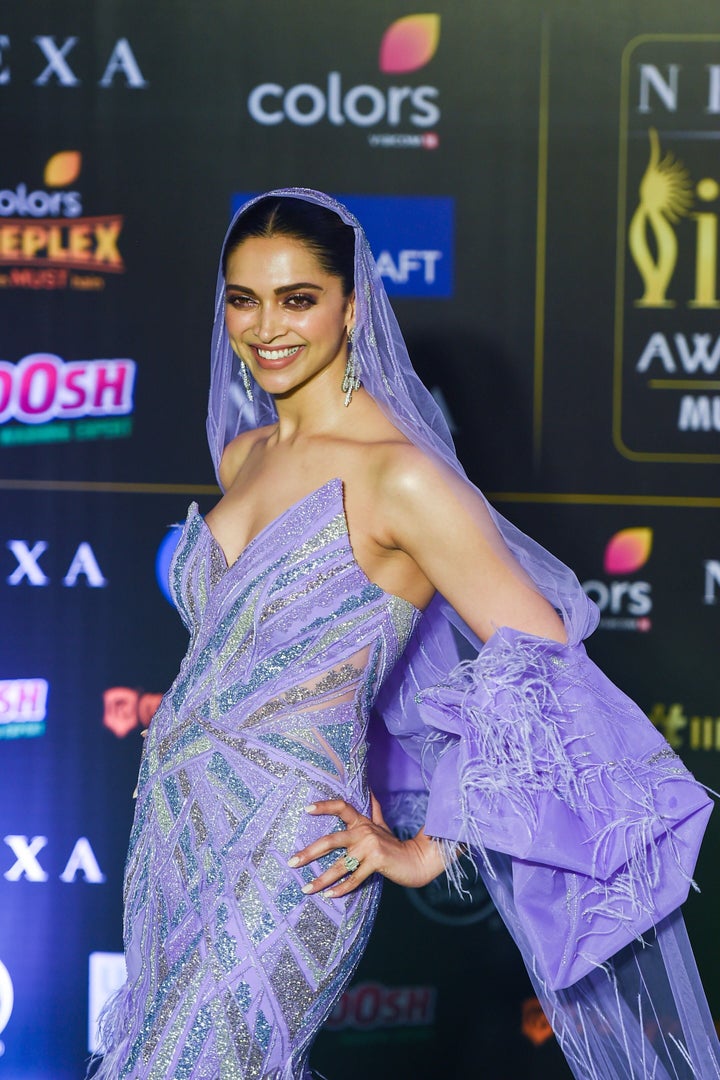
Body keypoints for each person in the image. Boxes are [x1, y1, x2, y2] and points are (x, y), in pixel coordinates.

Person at [94, 189, 719, 1079]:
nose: (265, 326)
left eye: (297, 299)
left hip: (291, 854)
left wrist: (434, 845)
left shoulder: (403, 479)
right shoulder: (244, 458)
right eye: (243, 298)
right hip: (172, 839)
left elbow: (535, 656)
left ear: (352, 304)